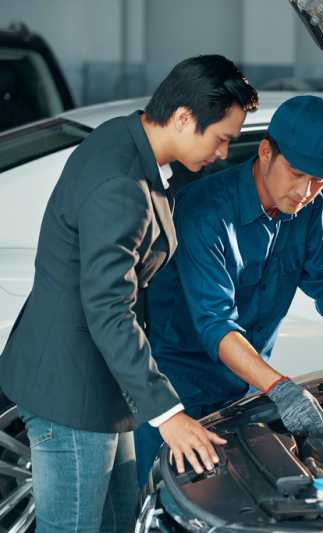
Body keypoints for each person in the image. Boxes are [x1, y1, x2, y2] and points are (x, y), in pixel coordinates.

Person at [0, 55, 258, 532]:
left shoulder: (125, 138)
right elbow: (108, 307)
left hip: (101, 383)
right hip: (72, 391)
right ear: (183, 117)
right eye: (220, 138)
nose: (223, 153)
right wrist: (169, 415)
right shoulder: (121, 185)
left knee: (119, 523)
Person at [133, 95, 323, 485]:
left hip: (246, 389)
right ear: (266, 152)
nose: (307, 190)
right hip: (181, 393)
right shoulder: (204, 213)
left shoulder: (307, 207)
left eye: (319, 179)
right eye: (297, 172)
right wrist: (281, 388)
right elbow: (215, 323)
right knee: (166, 502)